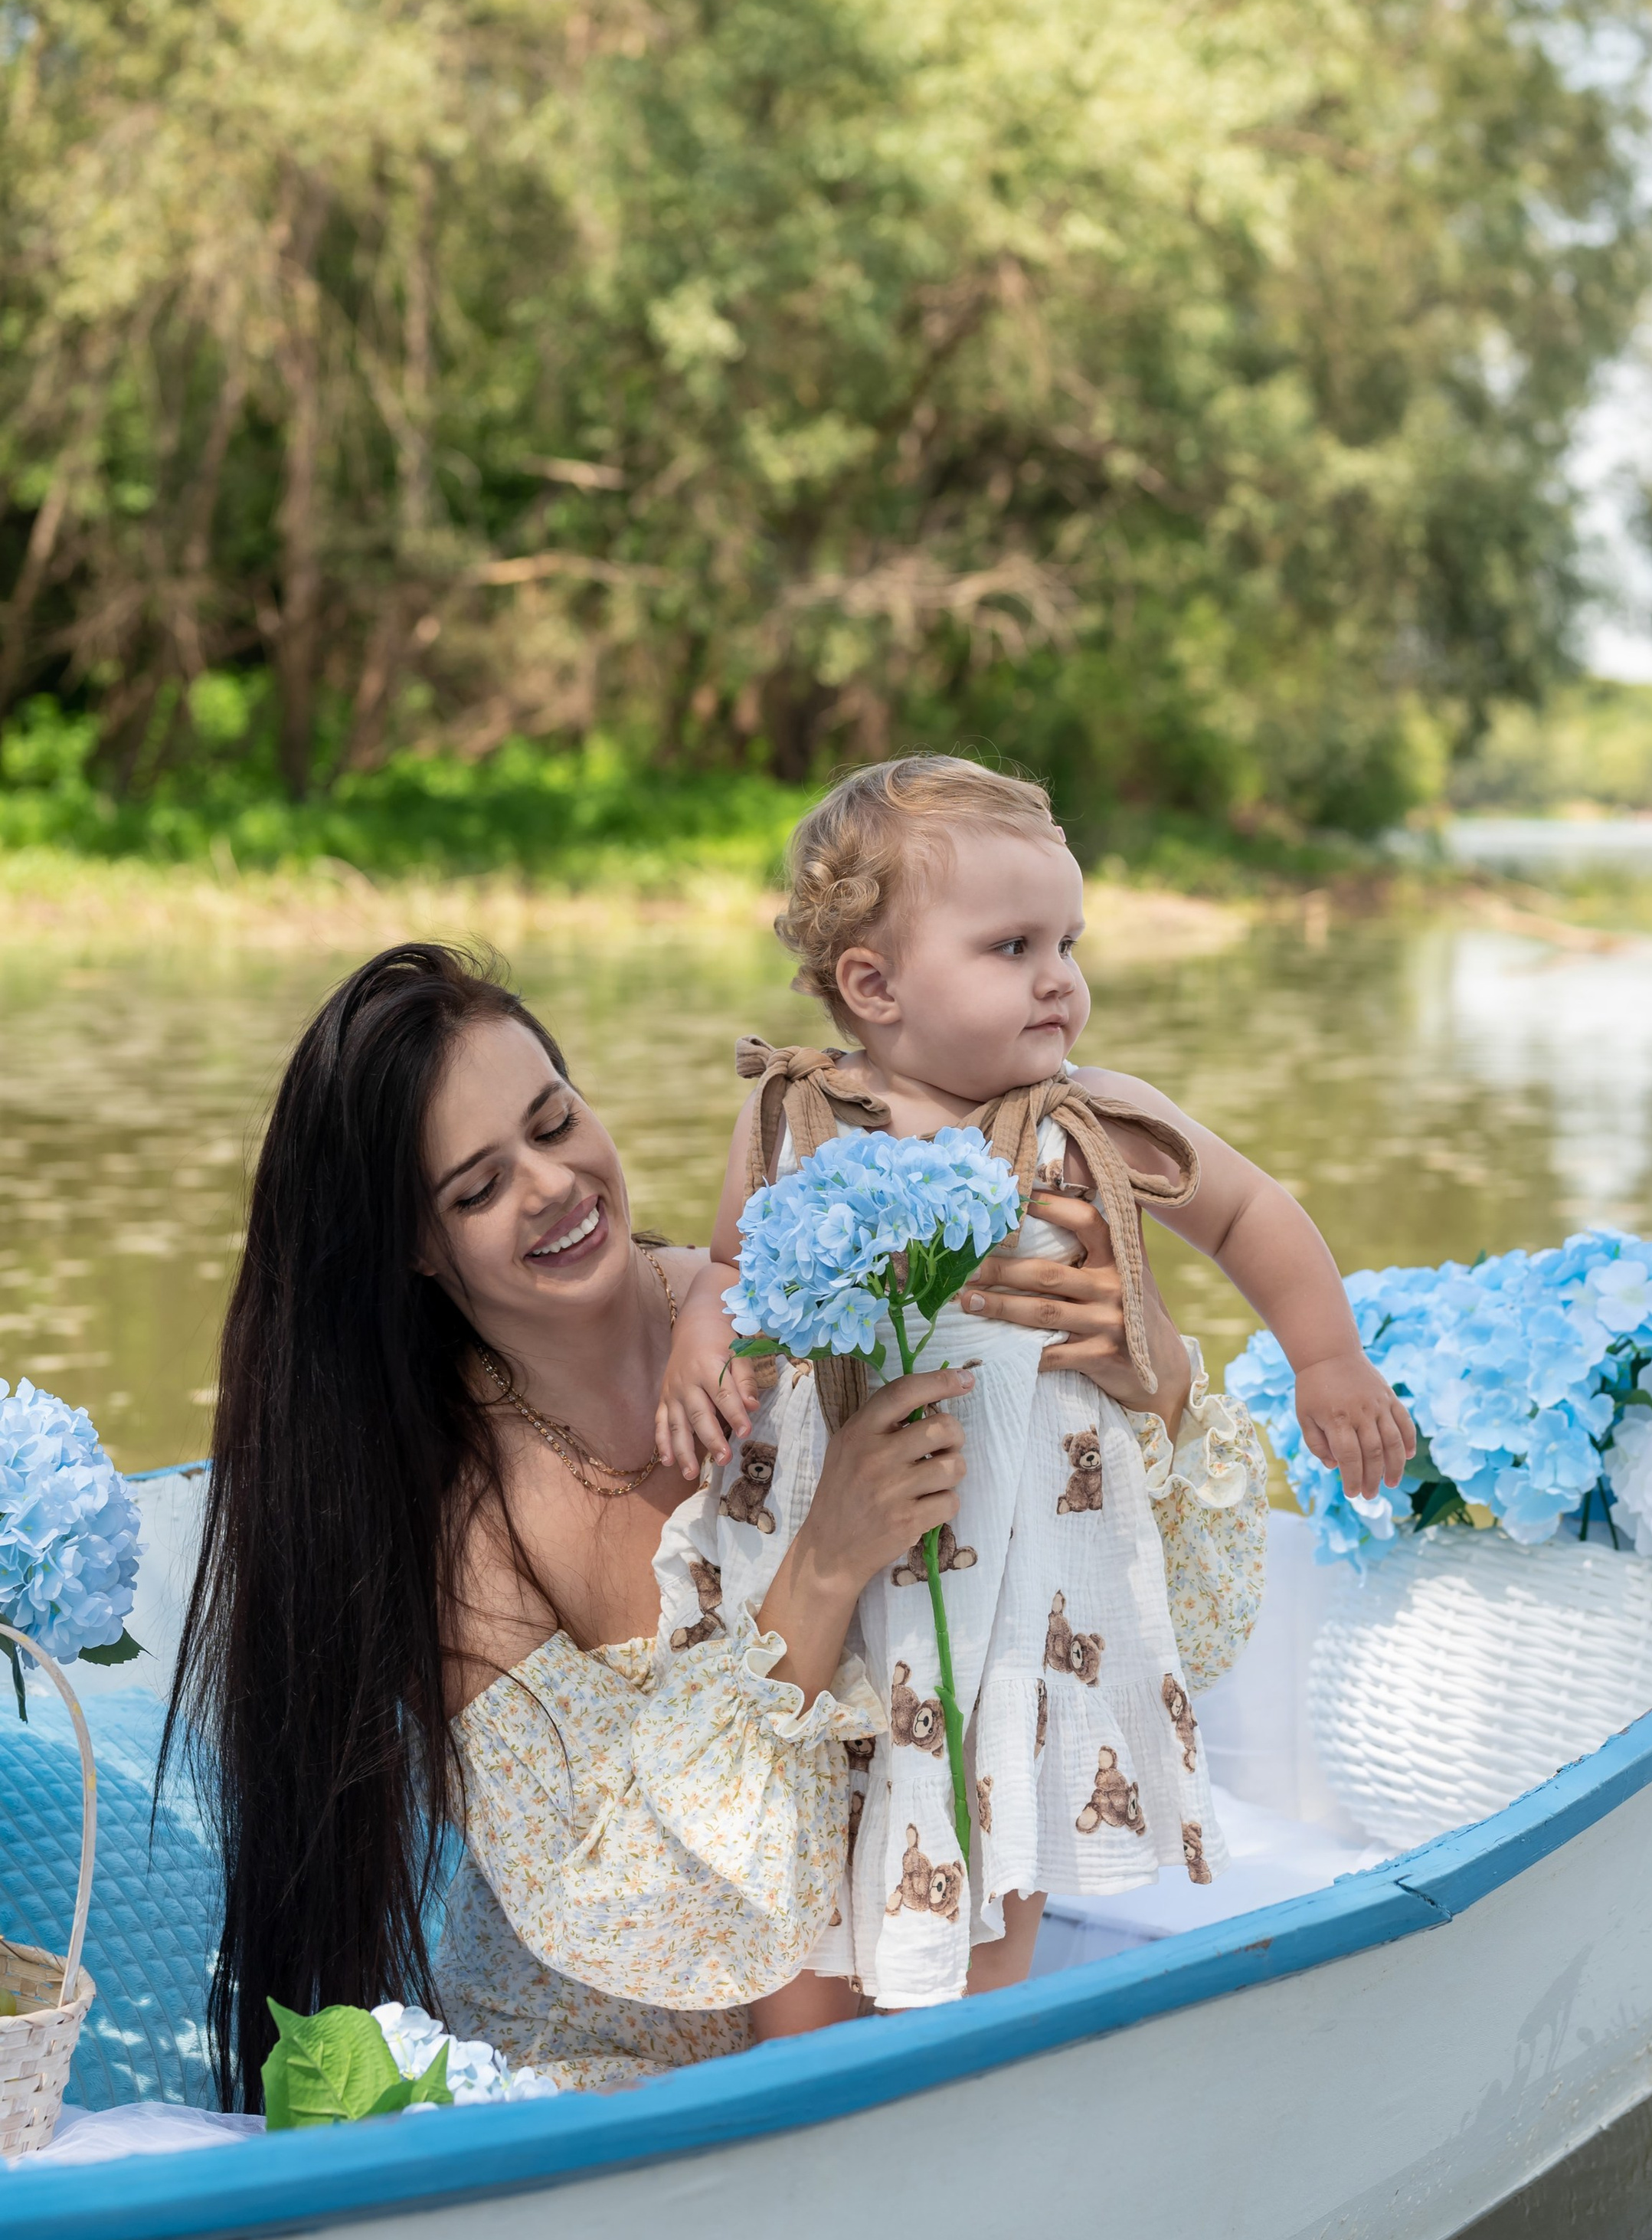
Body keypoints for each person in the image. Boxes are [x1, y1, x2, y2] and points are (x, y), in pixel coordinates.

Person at [170, 941, 1261, 2103]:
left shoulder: (808, 1303)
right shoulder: (459, 1518)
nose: (550, 1185)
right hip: (618, 2079)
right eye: (476, 1188)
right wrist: (821, 1568)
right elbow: (607, 1898)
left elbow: (1148, 1635)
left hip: (913, 2020)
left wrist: (1154, 1377)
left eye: (553, 1121)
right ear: (415, 1247)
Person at [652, 755, 1408, 2012]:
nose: (1061, 976)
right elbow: (729, 1262)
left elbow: (1253, 1212)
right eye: (1013, 945)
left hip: (1025, 1568)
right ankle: (807, 2052)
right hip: (847, 1545)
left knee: (1005, 1808)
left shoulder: (1090, 1119)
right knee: (817, 1801)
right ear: (872, 984)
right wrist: (700, 1345)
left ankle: (980, 2036)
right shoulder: (797, 1118)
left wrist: (1326, 1360)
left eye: (1070, 939)